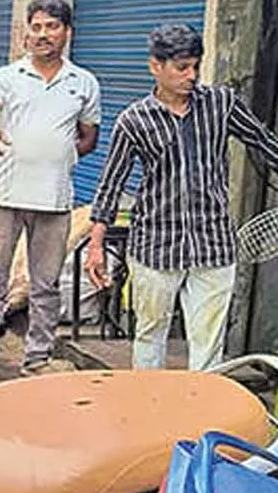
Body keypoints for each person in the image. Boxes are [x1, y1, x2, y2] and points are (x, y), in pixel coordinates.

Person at [86, 24, 278, 370]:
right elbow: (110, 184)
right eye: (181, 68)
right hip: (156, 247)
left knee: (208, 343)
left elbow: (264, 142)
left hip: (214, 245)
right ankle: (150, 411)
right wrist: (96, 245)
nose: (191, 76)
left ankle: (200, 416)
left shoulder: (222, 104)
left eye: (196, 66)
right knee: (149, 335)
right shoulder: (134, 120)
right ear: (155, 66)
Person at [0, 0, 101, 387]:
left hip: (54, 201)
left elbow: (89, 136)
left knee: (45, 285)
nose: (43, 35)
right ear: (27, 33)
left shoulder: (83, 83)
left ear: (67, 33)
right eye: (36, 27)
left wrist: (58, 157)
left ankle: (37, 358)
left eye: (51, 27)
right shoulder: (6, 77)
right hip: (1, 197)